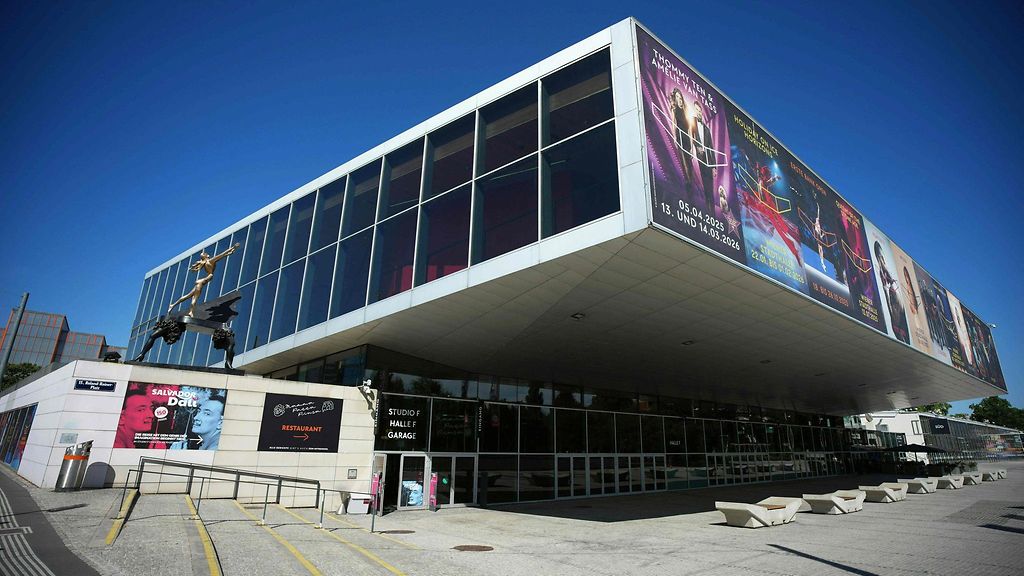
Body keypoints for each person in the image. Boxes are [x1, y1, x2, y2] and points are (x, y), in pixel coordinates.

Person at [167, 243, 240, 317]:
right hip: (202, 282)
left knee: (188, 296)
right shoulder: (210, 261)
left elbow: (224, 255)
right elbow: (222, 254)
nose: (209, 255)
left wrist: (232, 250)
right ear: (206, 256)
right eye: (207, 254)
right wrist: (233, 247)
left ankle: (173, 305)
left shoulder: (204, 263)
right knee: (195, 298)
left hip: (201, 281)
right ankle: (191, 312)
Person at [689, 101, 718, 210]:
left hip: (708, 159)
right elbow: (691, 135)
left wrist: (714, 167)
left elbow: (711, 148)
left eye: (699, 110)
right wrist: (696, 146)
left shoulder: (706, 129)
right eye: (696, 110)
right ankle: (708, 207)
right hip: (700, 156)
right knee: (705, 183)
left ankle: (712, 210)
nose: (698, 112)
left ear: (702, 112)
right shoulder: (692, 121)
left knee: (710, 185)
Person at [668, 88, 695, 188]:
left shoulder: (686, 110)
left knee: (689, 161)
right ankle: (687, 181)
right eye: (677, 97)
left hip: (687, 138)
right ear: (675, 98)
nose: (679, 99)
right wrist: (675, 137)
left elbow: (690, 129)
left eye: (680, 97)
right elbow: (674, 124)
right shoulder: (674, 110)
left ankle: (690, 181)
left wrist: (692, 146)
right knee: (683, 160)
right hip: (679, 137)